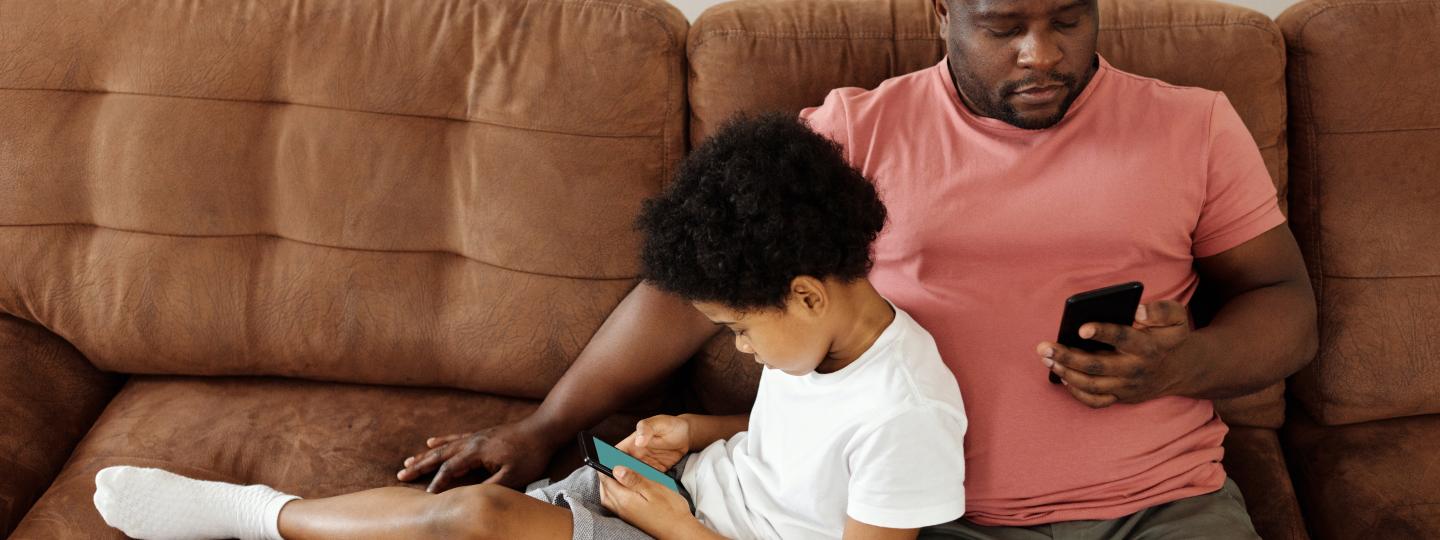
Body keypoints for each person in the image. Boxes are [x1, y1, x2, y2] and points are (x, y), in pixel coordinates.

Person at [398, 0, 1318, 537]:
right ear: (939, 11)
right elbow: (697, 286)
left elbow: (1285, 304)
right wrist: (546, 424)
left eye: (1069, 18)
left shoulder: (1192, 124)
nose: (1042, 53)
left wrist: (1186, 361)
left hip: (1157, 511)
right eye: (1004, 25)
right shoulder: (859, 130)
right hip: (923, 519)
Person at [93, 114, 969, 540]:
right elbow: (809, 440)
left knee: (476, 521)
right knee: (475, 515)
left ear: (807, 295)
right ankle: (247, 514)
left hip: (687, 531)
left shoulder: (909, 415)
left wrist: (678, 528)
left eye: (734, 329)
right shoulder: (816, 334)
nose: (736, 349)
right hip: (673, 497)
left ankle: (249, 517)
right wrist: (695, 428)